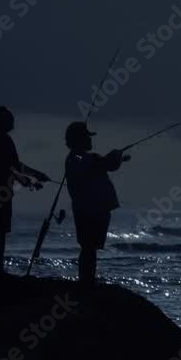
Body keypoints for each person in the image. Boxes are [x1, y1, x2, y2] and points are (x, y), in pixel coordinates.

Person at [0, 106, 50, 278]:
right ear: (0, 121)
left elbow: (9, 168)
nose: (13, 122)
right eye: (9, 119)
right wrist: (36, 175)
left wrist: (29, 180)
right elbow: (15, 166)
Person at [64, 122, 129, 286]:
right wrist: (116, 155)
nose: (90, 140)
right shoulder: (84, 158)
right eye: (87, 137)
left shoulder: (75, 159)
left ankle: (87, 279)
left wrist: (117, 158)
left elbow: (105, 164)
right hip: (90, 210)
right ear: (79, 140)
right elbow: (108, 164)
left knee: (89, 247)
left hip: (87, 208)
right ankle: (87, 281)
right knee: (89, 247)